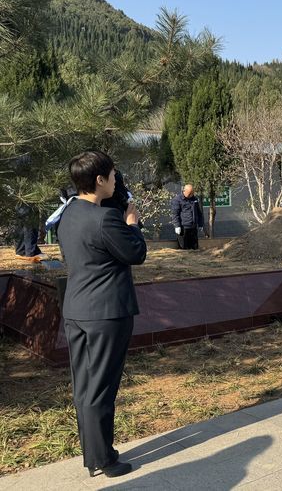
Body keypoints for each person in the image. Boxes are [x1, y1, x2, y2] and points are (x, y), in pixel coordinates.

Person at [56, 151, 147, 478]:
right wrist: (132, 225)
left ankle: (94, 454)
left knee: (85, 385)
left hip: (77, 308)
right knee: (102, 388)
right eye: (111, 175)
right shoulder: (105, 219)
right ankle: (104, 459)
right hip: (107, 312)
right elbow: (136, 253)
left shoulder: (69, 215)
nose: (115, 180)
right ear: (99, 180)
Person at [171, 184, 204, 250]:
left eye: (191, 194)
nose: (190, 195)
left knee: (194, 248)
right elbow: (175, 214)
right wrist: (177, 226)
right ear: (184, 191)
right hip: (183, 228)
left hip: (193, 227)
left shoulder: (194, 199)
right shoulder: (177, 200)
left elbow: (199, 212)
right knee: (184, 248)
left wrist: (201, 224)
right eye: (189, 194)